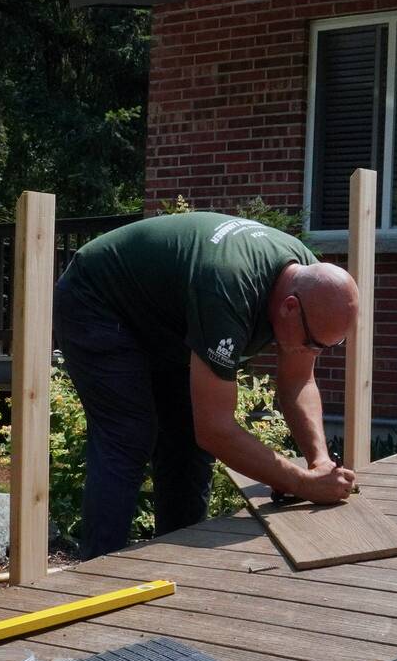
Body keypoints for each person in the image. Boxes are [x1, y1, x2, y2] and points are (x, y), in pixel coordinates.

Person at [54, 212, 360, 560]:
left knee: (185, 440)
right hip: (96, 299)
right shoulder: (228, 289)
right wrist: (301, 483)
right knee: (128, 435)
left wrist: (319, 462)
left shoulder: (311, 284)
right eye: (312, 344)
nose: (312, 353)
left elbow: (299, 382)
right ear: (290, 307)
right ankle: (98, 573)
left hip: (165, 315)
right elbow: (216, 430)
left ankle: (177, 564)